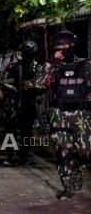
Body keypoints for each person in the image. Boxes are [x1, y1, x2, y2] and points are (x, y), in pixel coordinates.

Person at [33, 30, 91, 200]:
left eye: (65, 46)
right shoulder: (53, 67)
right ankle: (67, 187)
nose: (61, 49)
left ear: (73, 46)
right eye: (58, 47)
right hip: (59, 114)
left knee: (85, 152)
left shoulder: (85, 65)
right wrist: (49, 64)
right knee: (63, 152)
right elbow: (37, 84)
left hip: (82, 115)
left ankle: (79, 169)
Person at [0, 39, 40, 165]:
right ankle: (12, 156)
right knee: (10, 131)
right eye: (25, 53)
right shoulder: (13, 66)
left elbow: (44, 85)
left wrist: (34, 86)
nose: (27, 56)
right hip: (13, 103)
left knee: (27, 132)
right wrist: (11, 86)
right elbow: (2, 82)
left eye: (30, 53)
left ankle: (23, 157)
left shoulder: (38, 68)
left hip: (29, 104)